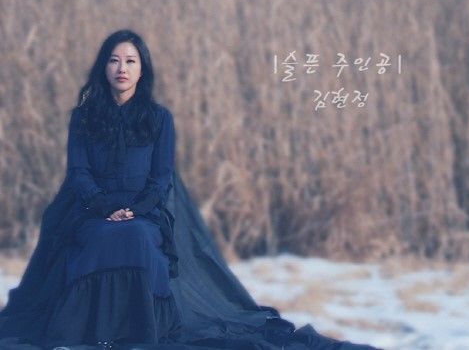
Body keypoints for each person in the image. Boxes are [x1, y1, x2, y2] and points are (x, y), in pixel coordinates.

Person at [0, 29, 380, 350]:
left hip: (143, 213)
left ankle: (140, 331)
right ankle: (91, 330)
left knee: (137, 237)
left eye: (130, 61)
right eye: (114, 60)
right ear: (104, 66)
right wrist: (103, 207)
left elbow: (161, 178)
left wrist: (135, 210)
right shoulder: (83, 118)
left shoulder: (159, 119)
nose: (122, 68)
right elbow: (79, 173)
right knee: (99, 238)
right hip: (92, 212)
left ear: (142, 69)